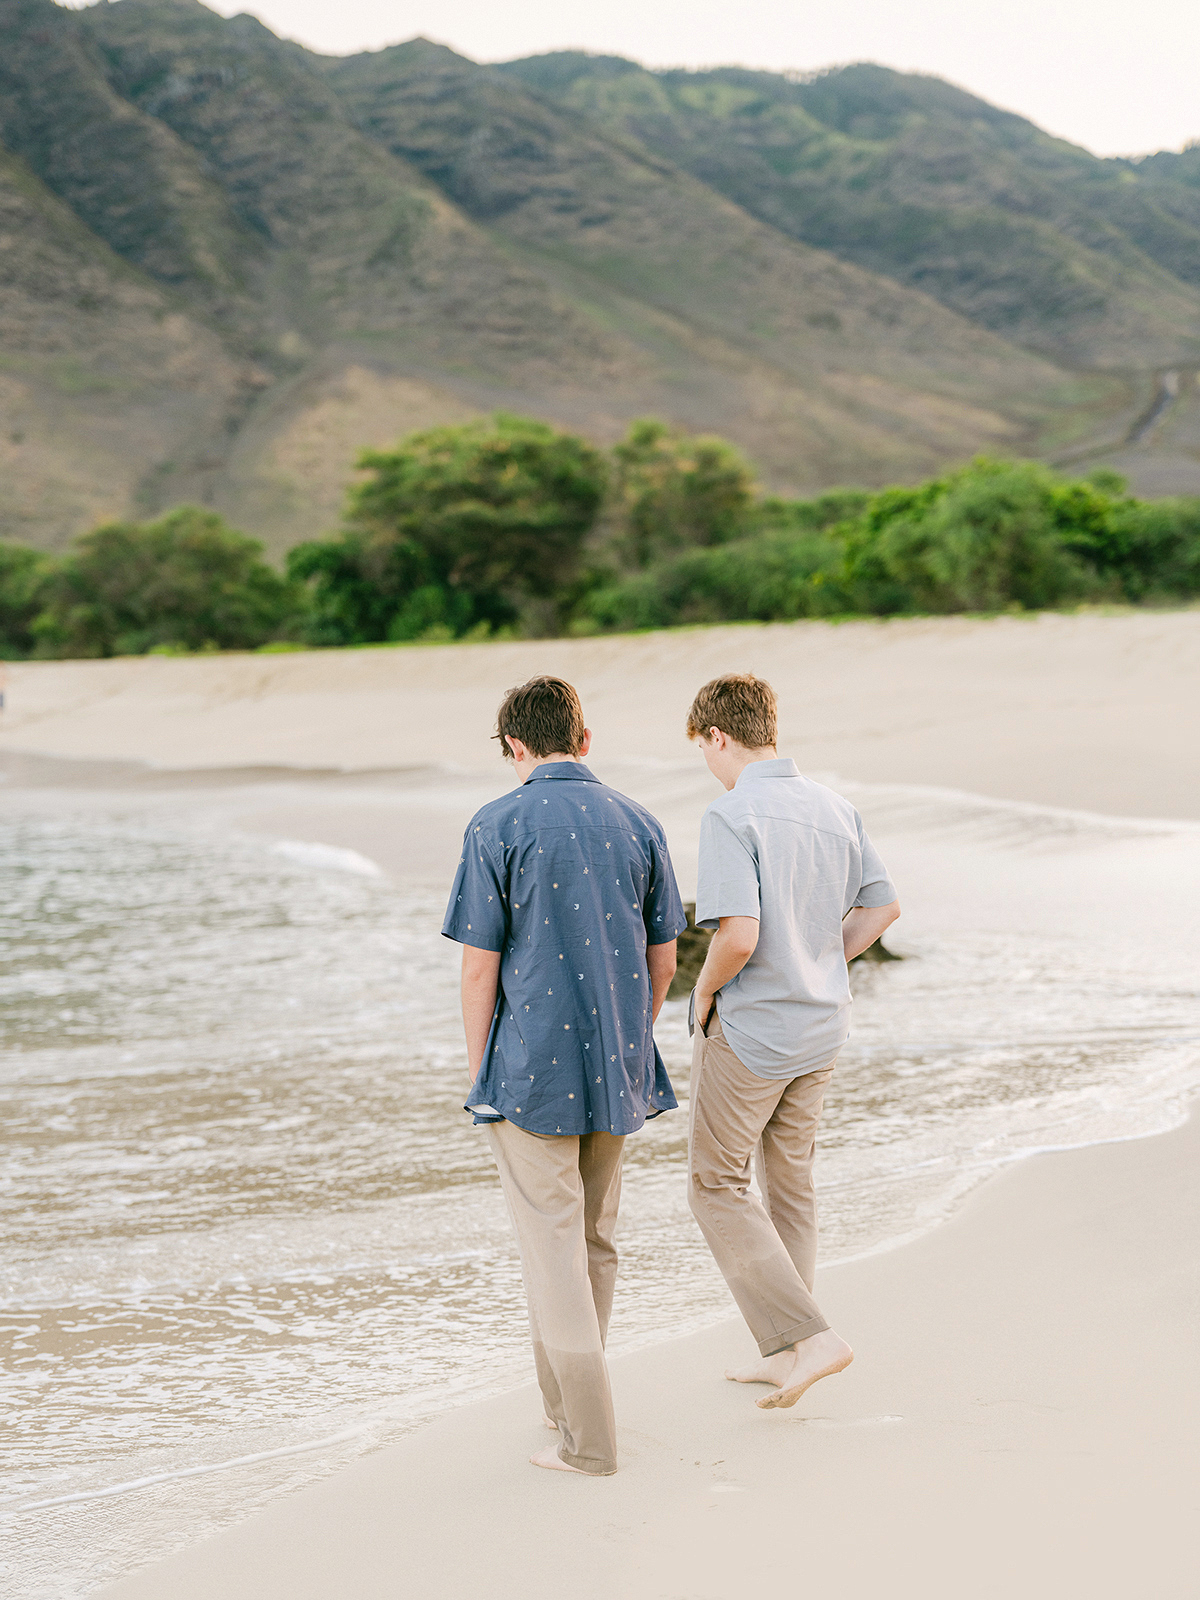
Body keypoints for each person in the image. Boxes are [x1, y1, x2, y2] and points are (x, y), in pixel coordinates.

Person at [442, 675, 684, 1475]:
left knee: (553, 1253)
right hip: (617, 1063)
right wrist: (631, 1036)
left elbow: (479, 968)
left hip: (531, 1071)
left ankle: (588, 1441)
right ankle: (564, 1406)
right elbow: (664, 959)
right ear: (584, 740)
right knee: (593, 1241)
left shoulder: (497, 824)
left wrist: (480, 1072)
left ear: (515, 746)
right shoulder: (639, 821)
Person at [685, 673, 899, 1410]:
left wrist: (703, 992)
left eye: (703, 748)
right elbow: (883, 908)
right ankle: (787, 1352)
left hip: (754, 1031)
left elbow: (739, 936)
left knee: (715, 1185)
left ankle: (810, 1338)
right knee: (790, 1185)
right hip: (822, 1025)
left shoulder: (730, 813)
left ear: (718, 736)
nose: (707, 763)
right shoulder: (835, 807)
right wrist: (821, 959)